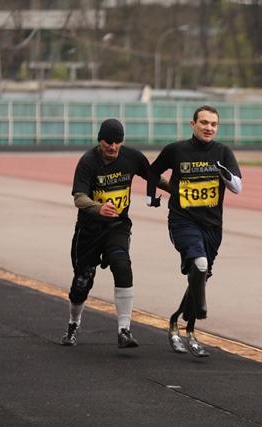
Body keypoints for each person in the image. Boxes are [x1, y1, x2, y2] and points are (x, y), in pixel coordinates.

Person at [60, 118, 166, 348]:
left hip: (117, 226)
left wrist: (177, 190)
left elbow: (153, 177)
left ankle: (124, 330)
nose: (113, 146)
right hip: (89, 230)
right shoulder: (88, 161)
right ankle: (73, 323)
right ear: (100, 140)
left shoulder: (131, 157)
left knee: (122, 264)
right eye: (108, 141)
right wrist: (99, 208)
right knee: (82, 282)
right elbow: (79, 197)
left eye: (118, 141)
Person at [149, 105, 242, 357]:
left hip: (212, 226)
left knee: (200, 276)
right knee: (199, 266)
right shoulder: (176, 150)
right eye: (203, 122)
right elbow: (152, 171)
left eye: (213, 124)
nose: (208, 127)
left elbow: (237, 187)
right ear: (193, 124)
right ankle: (195, 317)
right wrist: (163, 192)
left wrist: (225, 175)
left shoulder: (223, 152)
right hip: (183, 221)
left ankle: (179, 324)